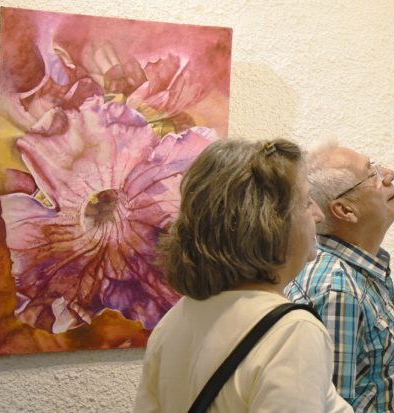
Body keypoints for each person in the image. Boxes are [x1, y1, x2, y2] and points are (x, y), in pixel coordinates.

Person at [133, 138, 352, 413]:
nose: (318, 215)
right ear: (271, 221)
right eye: (307, 202)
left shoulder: (173, 323)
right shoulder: (291, 331)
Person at [285, 141, 394, 412]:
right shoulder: (338, 289)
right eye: (372, 174)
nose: (389, 174)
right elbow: (331, 405)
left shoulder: (361, 269)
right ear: (345, 210)